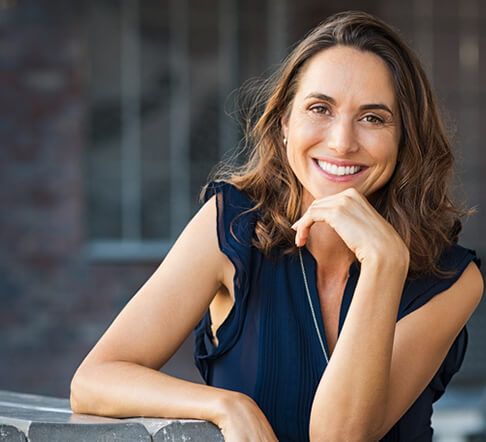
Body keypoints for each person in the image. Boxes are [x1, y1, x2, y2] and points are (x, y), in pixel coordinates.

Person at [70, 10, 483, 442]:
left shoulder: (452, 278)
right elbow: (94, 380)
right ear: (285, 123)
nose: (342, 141)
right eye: (319, 109)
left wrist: (384, 264)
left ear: (405, 139)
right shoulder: (231, 224)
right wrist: (226, 405)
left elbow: (340, 436)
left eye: (373, 118)